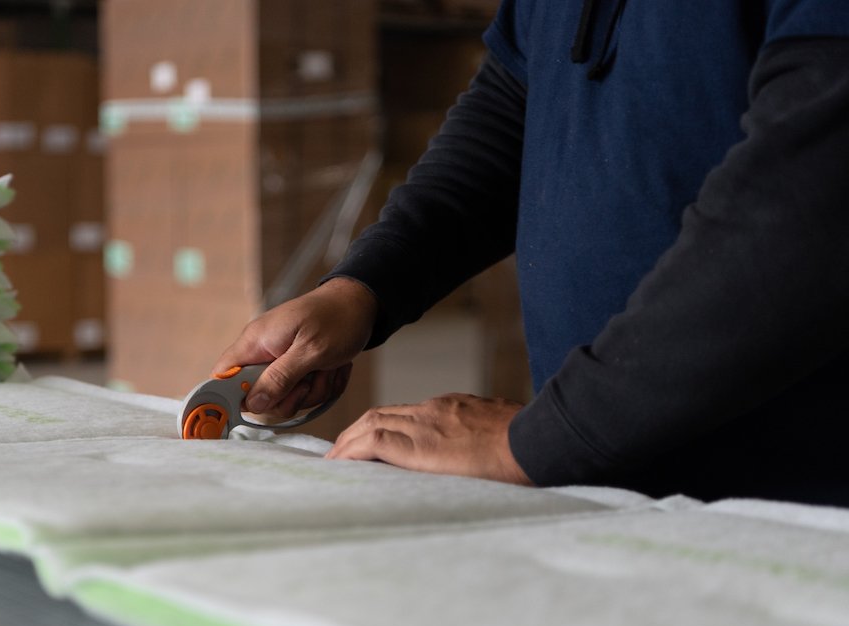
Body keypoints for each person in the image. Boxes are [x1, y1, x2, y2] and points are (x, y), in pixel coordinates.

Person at [215, 0, 849, 505]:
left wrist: (548, 438)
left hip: (798, 512)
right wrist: (363, 287)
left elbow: (813, 199)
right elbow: (515, 107)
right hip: (609, 485)